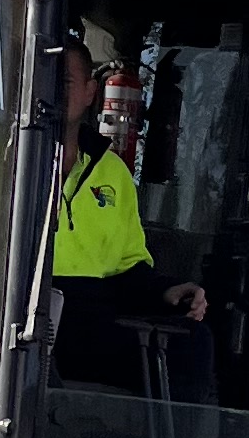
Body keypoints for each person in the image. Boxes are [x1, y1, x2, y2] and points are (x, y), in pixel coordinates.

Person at [49, 31, 215, 400]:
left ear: (91, 92)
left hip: (90, 321)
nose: (50, 91)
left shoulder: (112, 173)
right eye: (40, 78)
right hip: (15, 312)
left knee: (192, 343)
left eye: (64, 81)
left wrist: (167, 291)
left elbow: (129, 270)